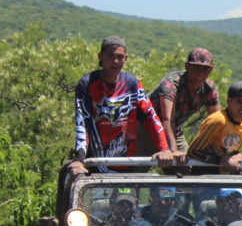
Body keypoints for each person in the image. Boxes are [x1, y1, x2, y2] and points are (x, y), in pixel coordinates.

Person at [67, 35, 176, 175]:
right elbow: (82, 122)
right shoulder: (87, 83)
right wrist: (79, 159)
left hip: (126, 160)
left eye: (120, 57)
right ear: (100, 57)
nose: (115, 61)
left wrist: (164, 149)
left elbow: (150, 117)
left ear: (126, 58)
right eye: (110, 56)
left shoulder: (132, 83)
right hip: (95, 162)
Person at [148, 48, 221, 152]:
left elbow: (217, 122)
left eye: (205, 69)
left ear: (211, 70)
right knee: (140, 165)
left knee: (185, 166)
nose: (200, 73)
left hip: (174, 129)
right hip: (147, 126)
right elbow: (167, 119)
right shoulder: (171, 83)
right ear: (187, 66)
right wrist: (173, 152)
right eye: (196, 68)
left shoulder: (209, 89)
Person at [187, 81, 242, 174]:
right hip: (204, 175)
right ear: (229, 101)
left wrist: (237, 155)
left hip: (227, 177)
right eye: (239, 102)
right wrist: (221, 161)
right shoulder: (217, 120)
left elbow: (228, 150)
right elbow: (193, 151)